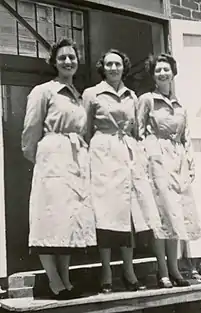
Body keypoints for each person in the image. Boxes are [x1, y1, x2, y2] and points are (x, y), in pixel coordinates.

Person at [82, 49, 163, 293]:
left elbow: (137, 129)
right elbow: (85, 130)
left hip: (126, 154)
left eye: (118, 64)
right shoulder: (91, 94)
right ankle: (106, 271)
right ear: (103, 68)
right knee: (106, 214)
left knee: (128, 213)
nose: (114, 68)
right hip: (102, 154)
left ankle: (128, 271)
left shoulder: (132, 96)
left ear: (123, 67)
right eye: (109, 64)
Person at [21, 38, 96, 300]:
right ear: (54, 62)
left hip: (76, 162)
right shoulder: (44, 91)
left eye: (72, 57)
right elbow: (30, 132)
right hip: (52, 158)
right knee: (49, 219)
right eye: (62, 57)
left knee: (68, 220)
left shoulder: (78, 96)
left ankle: (66, 279)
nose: (68, 61)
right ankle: (54, 280)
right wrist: (43, 161)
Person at [138, 53, 201, 288]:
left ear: (173, 73)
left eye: (166, 69)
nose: (163, 73)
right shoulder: (147, 100)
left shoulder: (179, 105)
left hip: (177, 162)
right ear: (153, 76)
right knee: (161, 215)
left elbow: (186, 137)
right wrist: (145, 159)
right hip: (156, 159)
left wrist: (190, 162)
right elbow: (139, 131)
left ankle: (175, 269)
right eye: (158, 70)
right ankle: (162, 270)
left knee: (176, 215)